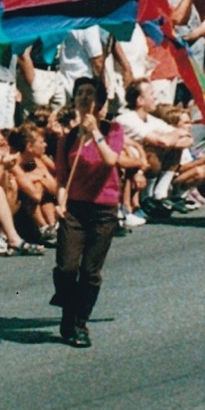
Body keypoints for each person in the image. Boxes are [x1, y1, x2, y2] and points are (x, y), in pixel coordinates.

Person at [52, 77, 140, 348]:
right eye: (80, 94)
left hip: (103, 208)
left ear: (100, 103)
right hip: (75, 209)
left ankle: (79, 322)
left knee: (90, 272)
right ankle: (68, 309)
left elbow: (110, 159)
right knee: (67, 267)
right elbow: (62, 179)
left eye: (91, 94)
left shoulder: (112, 130)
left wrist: (95, 134)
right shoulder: (67, 140)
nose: (85, 98)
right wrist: (60, 202)